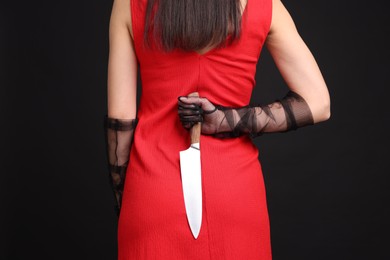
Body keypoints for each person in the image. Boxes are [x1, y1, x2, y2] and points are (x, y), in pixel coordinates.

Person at [103, 0, 331, 259]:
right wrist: (226, 120)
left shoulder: (127, 4)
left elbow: (120, 119)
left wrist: (127, 202)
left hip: (153, 190)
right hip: (236, 194)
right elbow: (319, 104)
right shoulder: (265, 5)